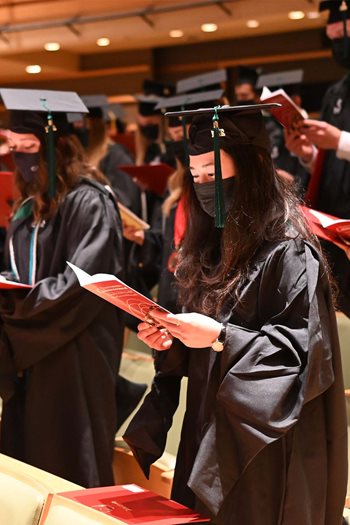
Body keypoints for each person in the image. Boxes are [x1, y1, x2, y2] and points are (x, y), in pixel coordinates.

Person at [124, 104, 348, 524]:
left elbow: (299, 359)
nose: (205, 186)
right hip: (207, 423)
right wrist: (172, 341)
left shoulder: (290, 250)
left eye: (214, 172)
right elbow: (202, 345)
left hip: (264, 441)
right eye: (197, 177)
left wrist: (219, 337)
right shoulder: (209, 245)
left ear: (249, 168)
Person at [0, 89, 125, 487]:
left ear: (58, 145)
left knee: (72, 463)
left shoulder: (90, 202)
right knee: (27, 465)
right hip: (31, 354)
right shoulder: (27, 205)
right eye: (13, 146)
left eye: (29, 146)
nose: (20, 156)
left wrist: (14, 307)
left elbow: (84, 284)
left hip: (75, 354)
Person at [284, 0, 350, 316]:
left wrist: (338, 140)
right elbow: (332, 167)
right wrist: (308, 154)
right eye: (334, 37)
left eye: (343, 34)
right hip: (334, 236)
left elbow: (339, 145)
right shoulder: (336, 93)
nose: (336, 38)